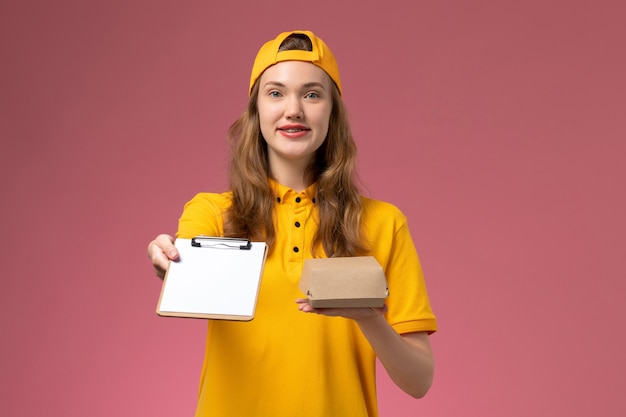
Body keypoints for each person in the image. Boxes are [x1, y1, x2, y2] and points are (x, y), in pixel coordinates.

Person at [147, 30, 437, 417]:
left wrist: (370, 319)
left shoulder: (384, 223)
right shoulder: (213, 213)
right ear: (256, 111)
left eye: (312, 94)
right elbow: (190, 273)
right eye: (276, 93)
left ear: (333, 111)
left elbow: (418, 382)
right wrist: (168, 260)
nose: (294, 109)